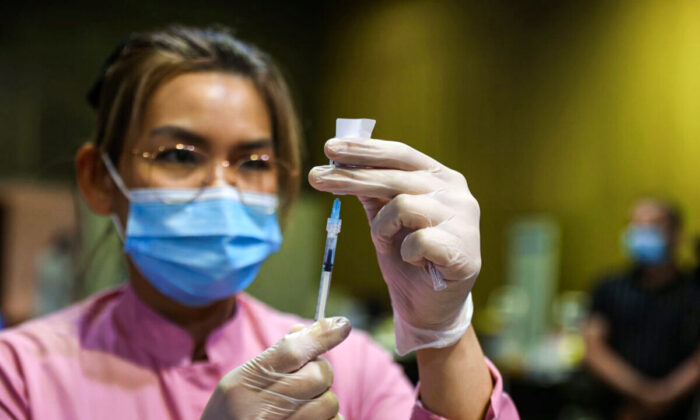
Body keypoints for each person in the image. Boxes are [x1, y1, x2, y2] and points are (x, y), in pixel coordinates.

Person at [0, 26, 518, 419]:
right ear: (99, 179)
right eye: (179, 156)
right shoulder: (19, 376)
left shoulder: (349, 365)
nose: (221, 188)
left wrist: (442, 332)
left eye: (254, 163)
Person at [584, 198, 700, 420]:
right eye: (635, 225)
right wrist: (643, 393)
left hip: (679, 411)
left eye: (653, 225)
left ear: (676, 233)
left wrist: (664, 396)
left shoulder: (693, 291)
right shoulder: (609, 287)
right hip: (618, 410)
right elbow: (593, 348)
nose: (642, 233)